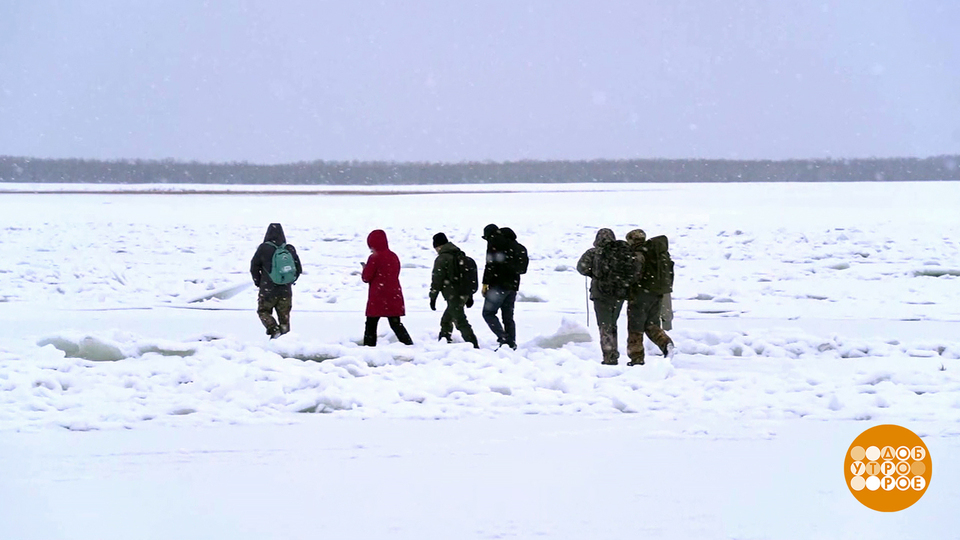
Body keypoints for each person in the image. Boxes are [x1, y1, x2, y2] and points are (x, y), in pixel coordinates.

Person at [576, 228, 626, 365]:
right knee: (613, 323)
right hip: (619, 293)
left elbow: (581, 267)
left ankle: (609, 356)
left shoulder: (593, 253)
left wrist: (595, 274)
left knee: (604, 326)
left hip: (600, 293)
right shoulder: (621, 252)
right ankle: (613, 352)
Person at [625, 229, 675, 365]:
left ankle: (636, 359)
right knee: (651, 325)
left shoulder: (638, 254)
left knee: (635, 328)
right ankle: (666, 344)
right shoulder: (658, 253)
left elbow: (634, 276)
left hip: (640, 295)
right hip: (657, 294)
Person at [360, 229, 413, 346]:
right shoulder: (394, 256)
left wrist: (364, 269)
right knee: (396, 323)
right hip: (394, 295)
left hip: (378, 296)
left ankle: (369, 348)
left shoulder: (374, 258)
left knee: (371, 324)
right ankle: (409, 344)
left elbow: (366, 278)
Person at [250, 223, 302, 339]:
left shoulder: (264, 248)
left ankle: (274, 329)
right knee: (285, 317)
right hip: (285, 291)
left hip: (268, 289)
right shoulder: (289, 249)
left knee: (263, 311)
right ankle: (285, 341)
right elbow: (298, 269)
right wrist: (287, 281)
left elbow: (254, 267)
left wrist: (259, 283)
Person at [429, 232, 479, 348]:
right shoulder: (459, 254)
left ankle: (474, 345)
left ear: (438, 246)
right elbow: (466, 276)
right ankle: (444, 341)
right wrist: (469, 295)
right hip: (463, 293)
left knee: (460, 321)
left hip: (453, 295)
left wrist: (433, 297)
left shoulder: (442, 258)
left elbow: (437, 279)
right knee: (446, 319)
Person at [480, 224, 519, 350]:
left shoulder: (494, 243)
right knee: (508, 317)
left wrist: (485, 283)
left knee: (488, 313)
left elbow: (490, 265)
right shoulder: (514, 245)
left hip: (498, 285)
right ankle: (511, 344)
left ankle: (504, 339)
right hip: (513, 285)